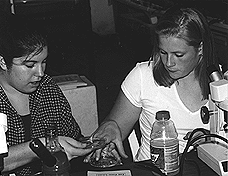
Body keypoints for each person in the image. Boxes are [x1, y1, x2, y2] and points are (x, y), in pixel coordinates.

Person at [85, 5, 225, 163]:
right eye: (163, 53)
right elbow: (115, 124)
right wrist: (110, 127)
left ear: (200, 48)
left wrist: (210, 142)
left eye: (178, 55)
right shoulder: (143, 76)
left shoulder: (222, 83)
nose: (169, 63)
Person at [0, 13, 93, 175]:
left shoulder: (47, 88)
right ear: (3, 62)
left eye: (44, 62)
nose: (40, 73)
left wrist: (93, 147)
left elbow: (72, 137)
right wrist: (39, 147)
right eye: (30, 65)